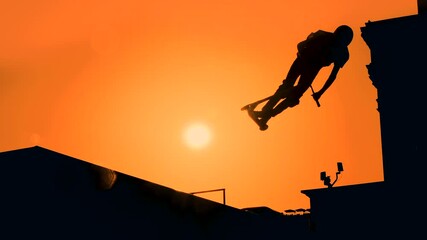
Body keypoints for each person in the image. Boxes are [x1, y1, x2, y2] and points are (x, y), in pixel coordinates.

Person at [250, 25, 353, 131]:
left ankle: (265, 116)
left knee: (294, 97)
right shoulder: (322, 35)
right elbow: (301, 45)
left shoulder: (342, 53)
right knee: (287, 88)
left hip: (312, 69)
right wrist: (302, 54)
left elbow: (333, 75)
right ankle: (265, 112)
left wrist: (321, 92)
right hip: (302, 61)